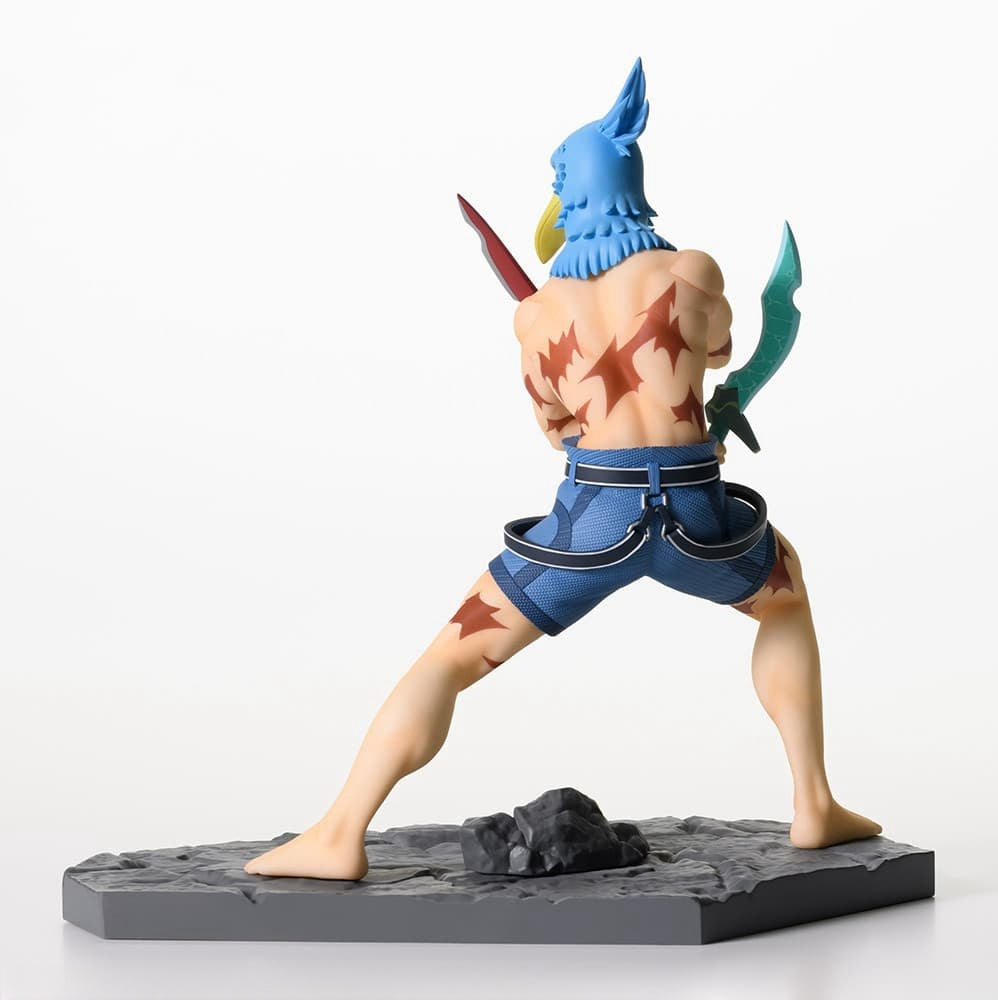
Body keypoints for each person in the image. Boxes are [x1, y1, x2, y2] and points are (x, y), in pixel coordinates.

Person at [245, 59, 880, 881]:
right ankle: (813, 802)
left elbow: (556, 428)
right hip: (698, 514)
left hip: (592, 522)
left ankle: (339, 833)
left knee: (448, 660)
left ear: (570, 197)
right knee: (784, 599)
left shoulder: (538, 316)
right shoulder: (693, 272)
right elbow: (721, 352)